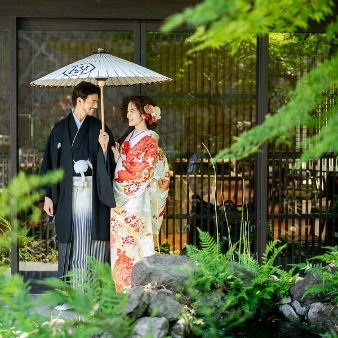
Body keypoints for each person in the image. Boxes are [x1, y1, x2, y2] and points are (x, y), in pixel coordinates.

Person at [40, 81, 116, 309]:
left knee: (93, 241)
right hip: (67, 194)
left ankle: (94, 297)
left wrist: (104, 150)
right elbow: (49, 165)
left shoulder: (101, 129)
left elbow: (111, 165)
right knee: (70, 243)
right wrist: (47, 196)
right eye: (93, 101)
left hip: (93, 194)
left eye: (97, 102)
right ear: (80, 101)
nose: (96, 106)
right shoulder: (60, 129)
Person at [110, 95, 170, 292]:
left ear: (144, 114)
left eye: (132, 111)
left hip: (136, 200)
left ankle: (138, 287)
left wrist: (119, 160)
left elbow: (141, 171)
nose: (128, 115)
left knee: (137, 243)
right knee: (120, 244)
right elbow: (127, 164)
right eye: (127, 111)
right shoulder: (130, 136)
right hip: (122, 198)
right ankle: (121, 286)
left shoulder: (150, 140)